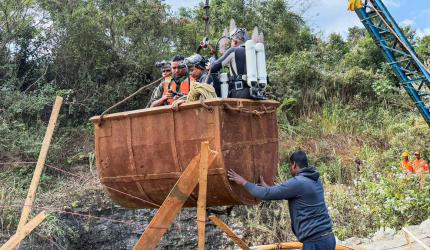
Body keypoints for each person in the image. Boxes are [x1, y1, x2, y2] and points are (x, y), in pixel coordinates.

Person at [227, 150, 335, 250]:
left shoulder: (298, 182)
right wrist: (268, 188)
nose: (289, 168)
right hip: (328, 238)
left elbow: (265, 194)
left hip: (315, 243)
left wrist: (243, 182)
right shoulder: (315, 180)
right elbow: (280, 192)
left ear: (294, 165)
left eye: (289, 165)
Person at [210, 27, 251, 98]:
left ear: (235, 42)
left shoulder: (233, 51)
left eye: (231, 41)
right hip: (256, 92)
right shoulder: (255, 52)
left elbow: (213, 68)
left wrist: (212, 62)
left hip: (239, 93)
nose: (231, 43)